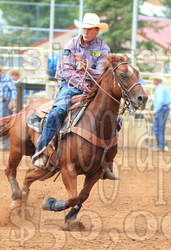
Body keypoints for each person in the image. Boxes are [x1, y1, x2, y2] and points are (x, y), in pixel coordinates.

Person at [31, 13, 117, 180]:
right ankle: (41, 151)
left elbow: (103, 71)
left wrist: (88, 69)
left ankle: (106, 163)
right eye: (84, 28)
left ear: (97, 30)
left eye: (89, 29)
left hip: (93, 87)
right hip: (71, 86)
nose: (85, 31)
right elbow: (64, 69)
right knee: (57, 111)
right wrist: (80, 78)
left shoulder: (103, 48)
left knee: (113, 117)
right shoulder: (72, 44)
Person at [150, 74, 171, 151]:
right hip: (164, 108)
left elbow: (160, 100)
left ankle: (160, 146)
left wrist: (156, 110)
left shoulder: (159, 88)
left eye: (154, 80)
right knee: (160, 128)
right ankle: (160, 145)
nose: (153, 81)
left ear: (157, 81)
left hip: (161, 109)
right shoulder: (162, 87)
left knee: (157, 128)